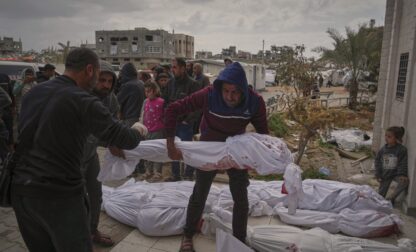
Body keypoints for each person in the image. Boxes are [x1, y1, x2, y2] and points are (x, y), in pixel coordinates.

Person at [11, 48, 147, 252]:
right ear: (90, 70)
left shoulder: (36, 92)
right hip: (58, 195)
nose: (102, 84)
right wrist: (138, 129)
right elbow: (125, 138)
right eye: (99, 76)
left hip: (22, 190)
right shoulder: (82, 100)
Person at [165, 62, 268, 251]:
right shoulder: (209, 94)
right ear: (220, 88)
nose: (230, 96)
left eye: (235, 92)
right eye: (226, 91)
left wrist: (260, 158)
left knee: (241, 196)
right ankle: (187, 234)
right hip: (209, 147)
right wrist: (170, 145)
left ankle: (239, 239)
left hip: (236, 149)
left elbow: (263, 134)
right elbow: (173, 109)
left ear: (244, 90)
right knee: (200, 192)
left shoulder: (254, 102)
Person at [80, 60, 120, 247]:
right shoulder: (79, 96)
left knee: (96, 194)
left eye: (109, 81)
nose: (105, 85)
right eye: (101, 79)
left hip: (91, 155)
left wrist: (114, 142)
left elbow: (110, 128)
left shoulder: (111, 100)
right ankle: (79, 240)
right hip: (71, 158)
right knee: (76, 199)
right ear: (93, 77)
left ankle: (92, 230)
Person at [164, 58, 201, 182]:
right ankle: (175, 175)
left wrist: (188, 120)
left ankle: (188, 174)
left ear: (183, 68)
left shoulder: (193, 85)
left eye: (174, 67)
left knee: (187, 150)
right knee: (172, 147)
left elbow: (198, 106)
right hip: (172, 124)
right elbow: (166, 102)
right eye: (172, 67)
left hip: (185, 125)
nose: (172, 70)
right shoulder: (170, 84)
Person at [375, 126, 409, 205]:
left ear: (396, 138)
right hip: (385, 175)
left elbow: (402, 163)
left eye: (389, 136)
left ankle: (391, 198)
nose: (386, 138)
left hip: (396, 174)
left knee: (404, 182)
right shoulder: (383, 149)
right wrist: (378, 174)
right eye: (385, 135)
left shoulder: (402, 150)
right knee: (380, 197)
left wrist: (402, 174)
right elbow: (377, 161)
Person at [139, 81, 165, 182]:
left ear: (155, 91)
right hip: (147, 130)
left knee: (157, 151)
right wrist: (141, 126)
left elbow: (164, 116)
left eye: (149, 91)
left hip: (158, 130)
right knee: (147, 151)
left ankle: (157, 172)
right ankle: (148, 170)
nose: (147, 93)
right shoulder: (145, 101)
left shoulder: (161, 102)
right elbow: (143, 114)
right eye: (145, 91)